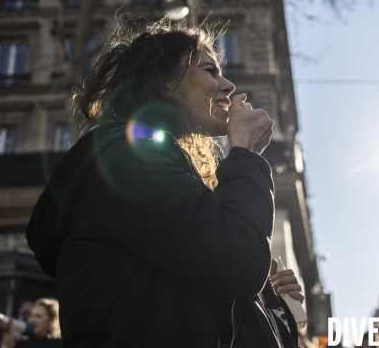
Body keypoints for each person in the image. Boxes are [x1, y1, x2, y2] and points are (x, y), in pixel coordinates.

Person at [26, 21, 304, 347]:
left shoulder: (150, 160)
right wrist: (245, 154)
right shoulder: (127, 156)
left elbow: (205, 295)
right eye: (210, 70)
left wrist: (270, 301)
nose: (227, 86)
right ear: (162, 78)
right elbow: (238, 261)